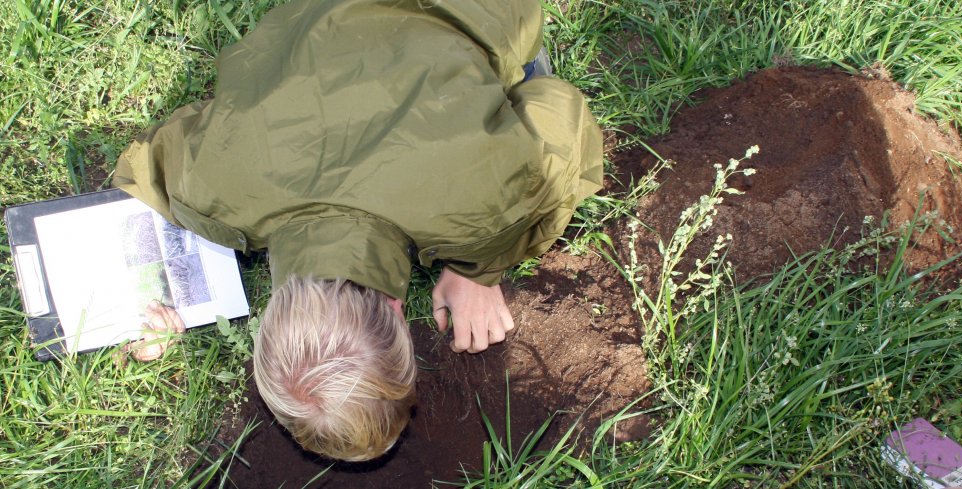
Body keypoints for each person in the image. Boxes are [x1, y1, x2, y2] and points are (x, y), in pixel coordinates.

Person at [113, 0, 602, 462]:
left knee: (526, 77)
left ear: (395, 309)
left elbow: (559, 105)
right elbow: (155, 158)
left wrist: (486, 258)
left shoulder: (488, 208)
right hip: (323, 22)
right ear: (269, 320)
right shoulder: (206, 192)